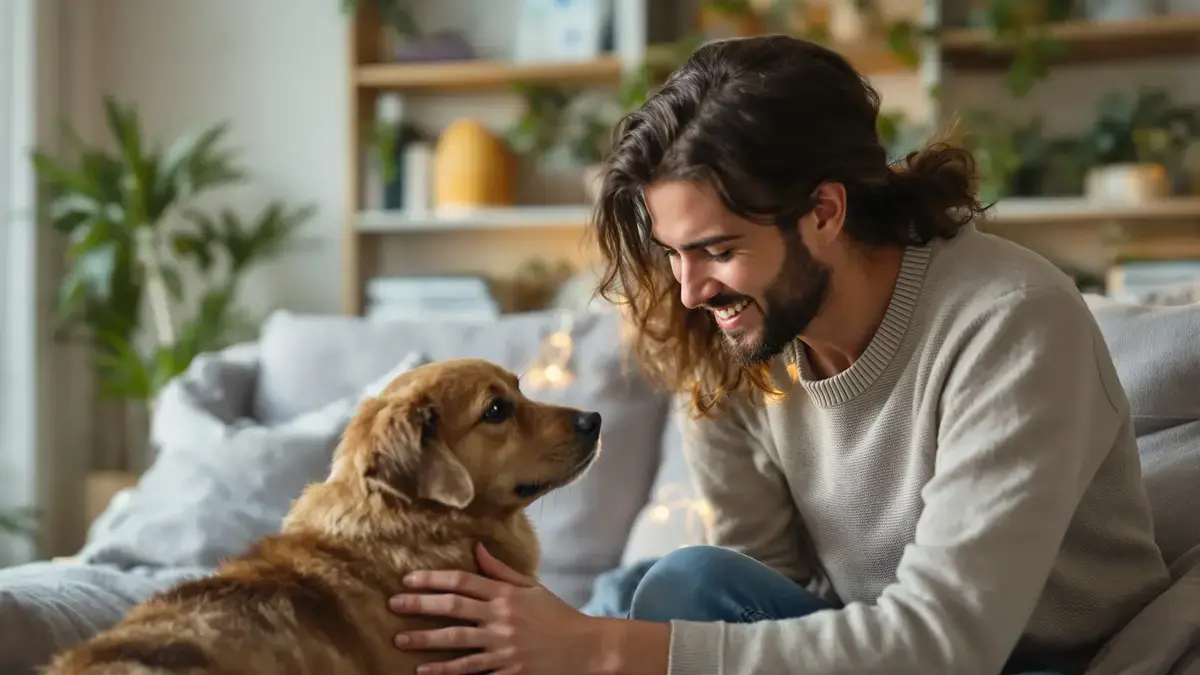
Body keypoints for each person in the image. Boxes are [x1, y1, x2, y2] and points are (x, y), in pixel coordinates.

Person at [385, 35, 1173, 675]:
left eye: (718, 249)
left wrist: (601, 649)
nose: (690, 290)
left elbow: (948, 643)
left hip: (1047, 662)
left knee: (643, 617)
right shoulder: (732, 340)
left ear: (824, 211)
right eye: (673, 253)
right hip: (879, 646)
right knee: (672, 585)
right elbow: (755, 593)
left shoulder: (1010, 319)